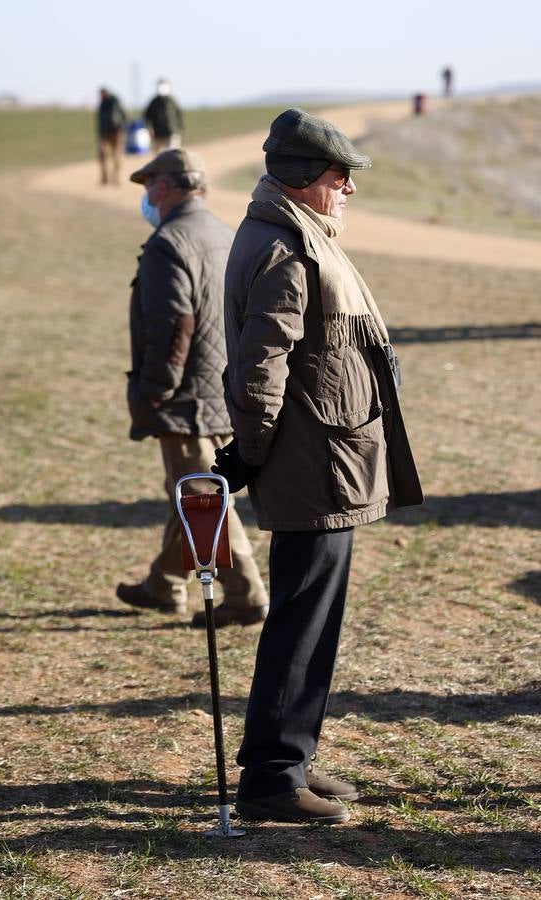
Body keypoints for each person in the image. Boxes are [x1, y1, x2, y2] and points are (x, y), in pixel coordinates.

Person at [212, 108, 423, 823]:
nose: (349, 189)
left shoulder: (293, 231)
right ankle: (272, 779)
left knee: (313, 617)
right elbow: (259, 368)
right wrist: (250, 450)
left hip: (322, 460)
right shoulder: (283, 246)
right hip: (312, 465)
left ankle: (291, 758)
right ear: (305, 179)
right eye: (340, 176)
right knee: (301, 620)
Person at [116, 148, 268, 629]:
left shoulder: (169, 243)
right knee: (193, 491)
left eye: (147, 186)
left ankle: (245, 595)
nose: (146, 197)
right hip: (227, 387)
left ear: (164, 187)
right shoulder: (227, 234)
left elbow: (172, 324)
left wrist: (156, 389)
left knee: (203, 501)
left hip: (187, 399)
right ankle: (165, 585)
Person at [144, 79, 184, 154]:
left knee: (173, 154)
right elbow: (147, 116)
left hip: (171, 131)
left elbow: (179, 115)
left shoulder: (172, 101)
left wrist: (181, 128)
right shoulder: (154, 102)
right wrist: (149, 128)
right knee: (157, 155)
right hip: (158, 133)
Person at [97, 87, 127, 185]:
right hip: (104, 133)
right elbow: (100, 120)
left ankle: (116, 177)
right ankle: (104, 178)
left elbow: (124, 115)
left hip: (116, 132)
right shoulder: (102, 103)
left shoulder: (115, 101)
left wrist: (120, 127)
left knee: (116, 155)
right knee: (103, 154)